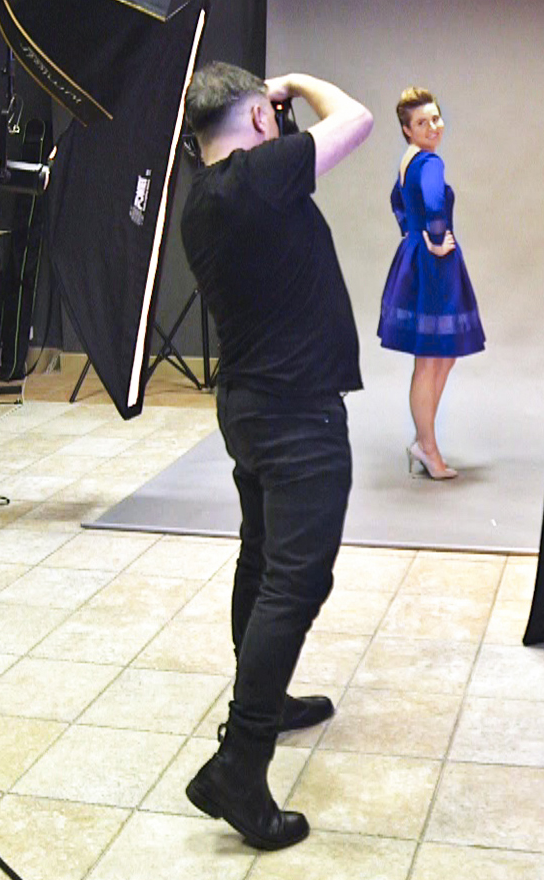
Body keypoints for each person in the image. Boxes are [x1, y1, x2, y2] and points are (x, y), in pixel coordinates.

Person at [177, 62, 373, 850]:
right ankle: (240, 762)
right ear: (261, 118)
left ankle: (263, 699)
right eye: (270, 110)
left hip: (250, 405)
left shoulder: (202, 200)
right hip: (296, 414)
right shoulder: (258, 177)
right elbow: (356, 116)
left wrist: (270, 97)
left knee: (261, 561)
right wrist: (296, 81)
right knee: (296, 580)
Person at [376, 87, 485, 479]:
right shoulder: (430, 162)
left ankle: (424, 440)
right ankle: (427, 447)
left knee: (442, 355)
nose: (433, 127)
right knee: (430, 359)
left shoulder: (408, 160)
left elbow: (397, 200)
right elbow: (435, 202)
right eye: (422, 122)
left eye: (436, 118)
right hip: (433, 265)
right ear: (407, 129)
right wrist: (436, 240)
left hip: (417, 260)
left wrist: (412, 234)